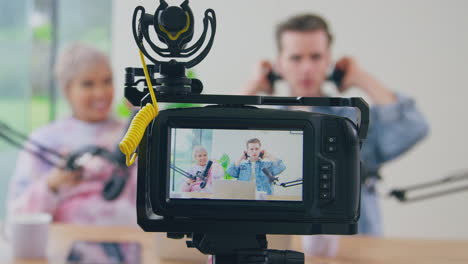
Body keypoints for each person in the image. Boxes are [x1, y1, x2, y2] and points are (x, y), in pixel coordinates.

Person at [242, 14, 429, 236]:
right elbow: (213, 126)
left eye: (316, 57)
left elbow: (412, 127)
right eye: (295, 58)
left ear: (329, 61)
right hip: (285, 243)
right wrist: (252, 86)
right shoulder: (264, 126)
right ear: (278, 65)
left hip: (354, 244)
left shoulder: (352, 120)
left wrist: (361, 78)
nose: (307, 68)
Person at [6, 43, 137, 226]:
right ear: (67, 90)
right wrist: (51, 184)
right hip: (66, 248)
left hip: (131, 244)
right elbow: (18, 214)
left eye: (107, 81)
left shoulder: (133, 133)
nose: (101, 93)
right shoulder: (44, 140)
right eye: (87, 84)